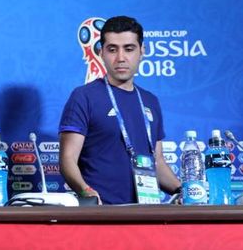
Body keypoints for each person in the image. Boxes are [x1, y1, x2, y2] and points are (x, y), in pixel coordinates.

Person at [58, 16, 181, 204]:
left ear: (142, 51)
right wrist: (86, 192)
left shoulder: (150, 101)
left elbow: (158, 163)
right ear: (101, 52)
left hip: (147, 212)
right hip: (101, 213)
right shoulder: (84, 96)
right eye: (112, 49)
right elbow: (67, 160)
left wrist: (182, 191)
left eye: (129, 49)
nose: (121, 58)